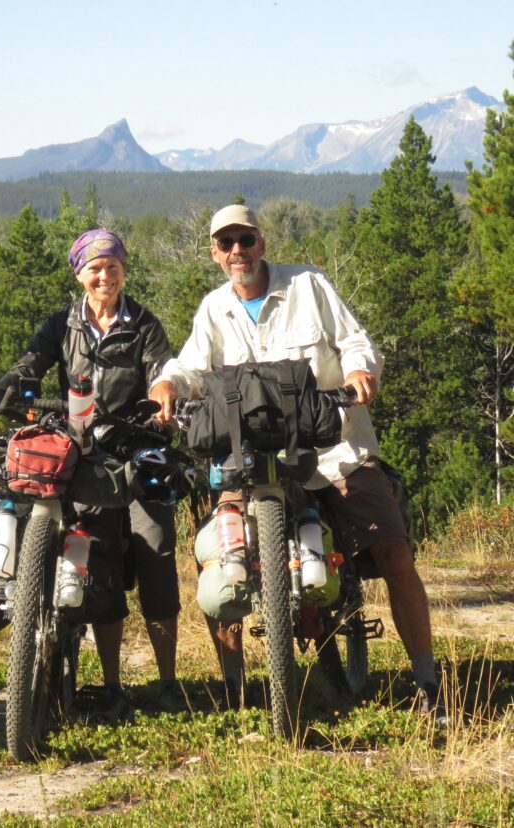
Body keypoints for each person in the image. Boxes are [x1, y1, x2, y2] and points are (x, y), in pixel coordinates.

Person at [150, 204, 444, 720]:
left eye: (245, 239)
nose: (237, 251)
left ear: (261, 243)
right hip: (248, 459)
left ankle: (428, 683)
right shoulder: (214, 309)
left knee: (394, 549)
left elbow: (353, 341)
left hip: (331, 451)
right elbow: (191, 365)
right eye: (226, 243)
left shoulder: (309, 286)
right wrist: (167, 385)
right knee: (217, 559)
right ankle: (237, 692)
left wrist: (358, 370)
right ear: (214, 254)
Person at [0, 228, 182, 721]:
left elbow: (162, 367)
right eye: (94, 268)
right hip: (81, 452)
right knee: (97, 559)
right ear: (79, 273)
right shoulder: (62, 324)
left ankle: (166, 682)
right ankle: (112, 684)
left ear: (124, 269)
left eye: (112, 266)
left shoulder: (142, 323)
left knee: (155, 551)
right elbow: (27, 369)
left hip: (135, 447)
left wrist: (163, 394)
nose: (104, 275)